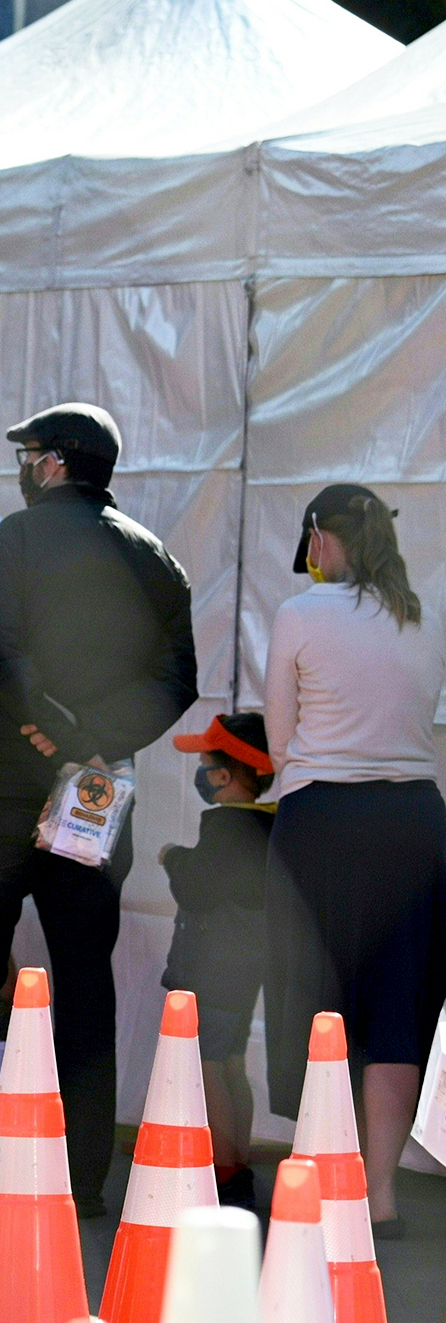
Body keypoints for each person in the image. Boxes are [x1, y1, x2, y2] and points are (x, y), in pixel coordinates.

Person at [0, 402, 195, 1217]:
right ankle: (84, 1182)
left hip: (0, 787)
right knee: (85, 981)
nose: (21, 468)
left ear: (51, 465)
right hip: (95, 797)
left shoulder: (15, 538)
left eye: (28, 455)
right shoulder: (156, 558)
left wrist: (52, 732)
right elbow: (177, 681)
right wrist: (93, 741)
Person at [264, 484, 444, 1232]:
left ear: (318, 538)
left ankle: (320, 1182)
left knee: (319, 996)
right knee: (400, 1004)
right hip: (414, 822)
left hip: (322, 821)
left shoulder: (300, 613)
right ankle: (383, 1194)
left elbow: (280, 740)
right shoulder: (423, 614)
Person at [160, 712, 274, 1211]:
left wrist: (173, 858)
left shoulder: (226, 825)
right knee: (232, 1063)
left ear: (224, 776)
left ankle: (226, 1171)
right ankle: (240, 1157)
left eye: (206, 764)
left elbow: (199, 889)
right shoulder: (269, 822)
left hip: (213, 967)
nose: (201, 774)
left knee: (209, 1066)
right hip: (244, 971)